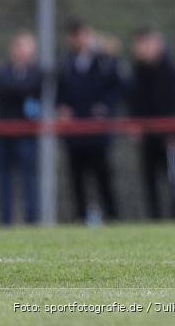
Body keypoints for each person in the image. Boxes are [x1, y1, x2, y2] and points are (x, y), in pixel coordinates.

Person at [57, 18, 124, 223]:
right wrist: (62, 108)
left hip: (98, 130)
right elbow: (60, 90)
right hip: (75, 131)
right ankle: (79, 216)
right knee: (76, 178)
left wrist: (104, 107)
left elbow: (119, 85)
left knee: (103, 175)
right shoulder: (66, 62)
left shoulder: (104, 60)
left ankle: (112, 216)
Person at [129, 27, 175, 220]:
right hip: (149, 136)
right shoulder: (139, 71)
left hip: (171, 137)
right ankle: (154, 220)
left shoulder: (173, 69)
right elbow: (134, 100)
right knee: (149, 181)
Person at [0, 31, 42, 224]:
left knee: (29, 177)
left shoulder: (37, 73)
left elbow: (29, 88)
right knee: (4, 178)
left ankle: (32, 219)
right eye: (18, 46)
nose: (21, 51)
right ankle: (6, 219)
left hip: (26, 133)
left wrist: (14, 88)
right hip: (4, 131)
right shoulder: (3, 71)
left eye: (25, 47)